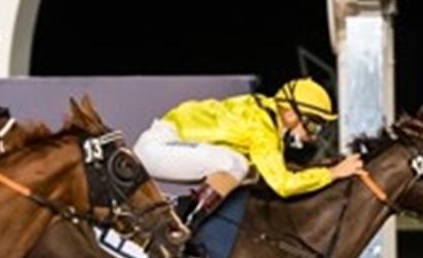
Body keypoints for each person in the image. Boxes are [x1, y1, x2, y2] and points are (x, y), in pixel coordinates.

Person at [133, 77, 365, 229]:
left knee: (245, 170)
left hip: (164, 143)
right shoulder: (262, 127)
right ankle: (185, 224)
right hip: (156, 148)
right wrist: (333, 173)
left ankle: (186, 215)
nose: (312, 136)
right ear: (291, 114)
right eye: (313, 125)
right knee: (235, 164)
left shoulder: (265, 116)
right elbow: (283, 185)